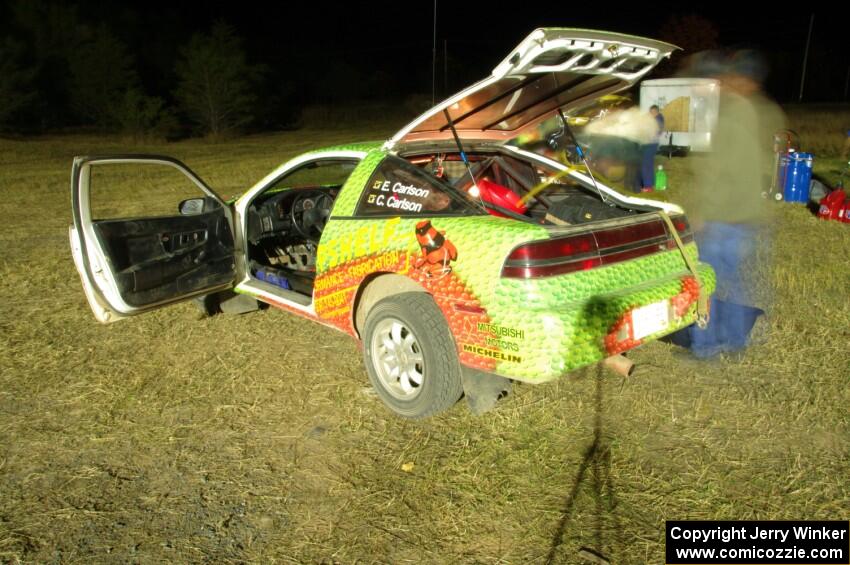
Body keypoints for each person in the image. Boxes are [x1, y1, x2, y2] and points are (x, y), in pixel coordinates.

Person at [678, 50, 786, 358]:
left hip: (721, 217)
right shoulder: (758, 110)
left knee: (704, 283)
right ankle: (737, 341)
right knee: (736, 281)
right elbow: (764, 164)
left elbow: (714, 170)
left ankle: (705, 348)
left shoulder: (722, 114)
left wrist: (701, 212)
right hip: (749, 215)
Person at [640, 105, 664, 191]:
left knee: (645, 165)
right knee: (649, 164)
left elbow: (651, 132)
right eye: (650, 112)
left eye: (651, 112)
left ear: (656, 112)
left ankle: (647, 186)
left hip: (650, 144)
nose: (650, 114)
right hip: (652, 144)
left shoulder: (657, 121)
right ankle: (652, 183)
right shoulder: (658, 119)